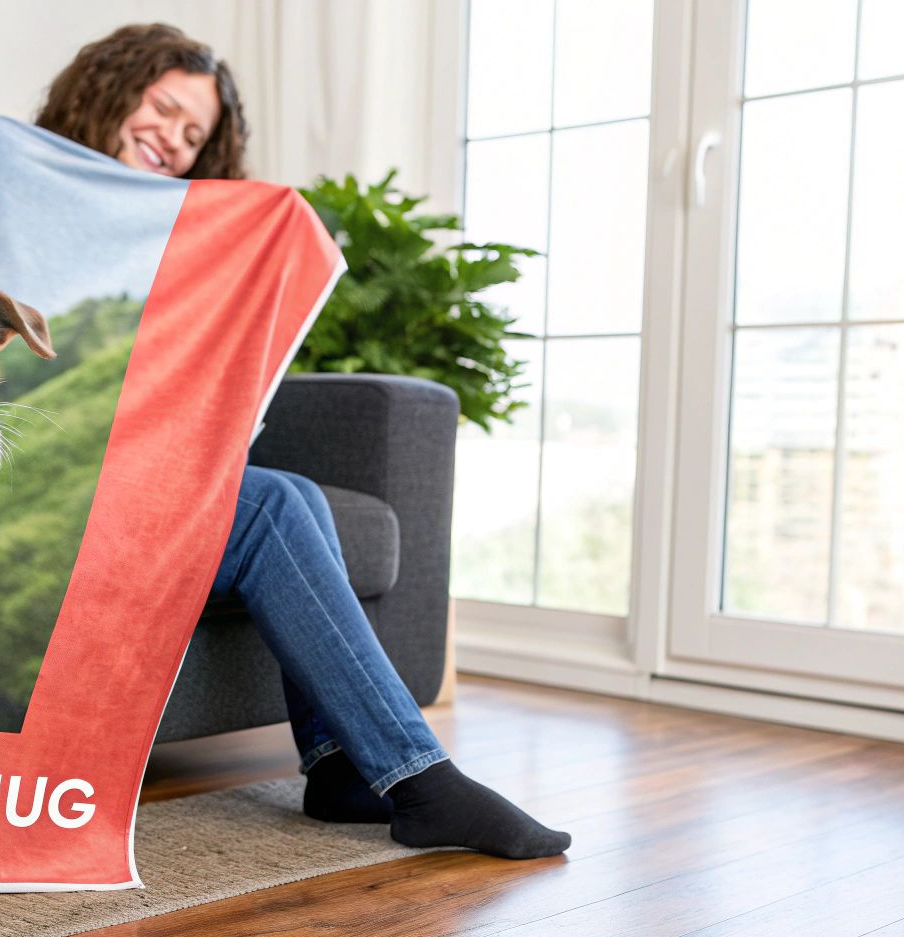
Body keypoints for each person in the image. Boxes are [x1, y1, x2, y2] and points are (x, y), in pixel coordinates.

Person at [30, 24, 569, 859]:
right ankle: (423, 783)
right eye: (163, 109)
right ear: (105, 91)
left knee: (296, 495)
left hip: (132, 481)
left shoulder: (168, 247)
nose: (172, 140)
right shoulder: (26, 197)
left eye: (192, 135)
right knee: (272, 505)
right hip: (45, 484)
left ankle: (339, 767)